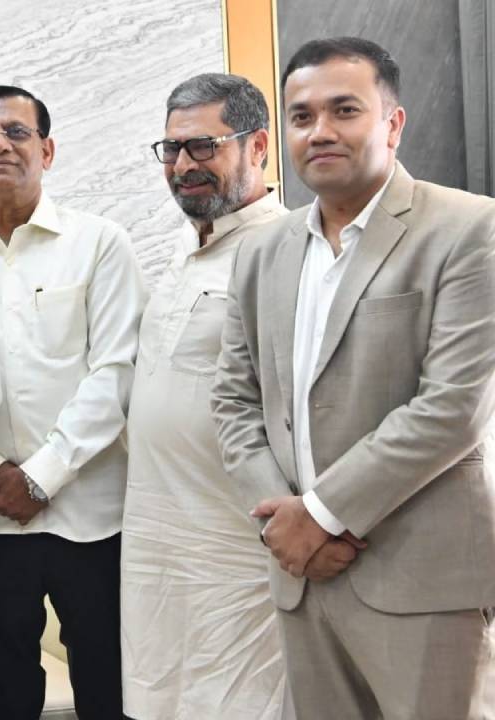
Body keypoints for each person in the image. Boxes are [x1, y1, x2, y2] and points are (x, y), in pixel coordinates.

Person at [212, 37, 495, 719]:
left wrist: (319, 515)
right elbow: (234, 400)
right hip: (301, 575)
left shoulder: (468, 228)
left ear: (392, 124)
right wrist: (281, 522)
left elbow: (452, 409)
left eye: (344, 110)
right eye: (302, 116)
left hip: (421, 577)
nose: (320, 131)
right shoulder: (261, 252)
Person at [0, 85, 144, 720]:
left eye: (17, 132)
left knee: (109, 688)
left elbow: (117, 371)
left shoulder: (100, 242)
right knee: (1, 693)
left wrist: (42, 474)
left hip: (90, 512)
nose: (0, 145)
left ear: (48, 150)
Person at [121, 73, 289, 720]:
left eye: (204, 146)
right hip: (157, 553)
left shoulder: (287, 251)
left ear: (258, 146)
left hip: (238, 561)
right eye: (172, 149)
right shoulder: (180, 251)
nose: (184, 164)